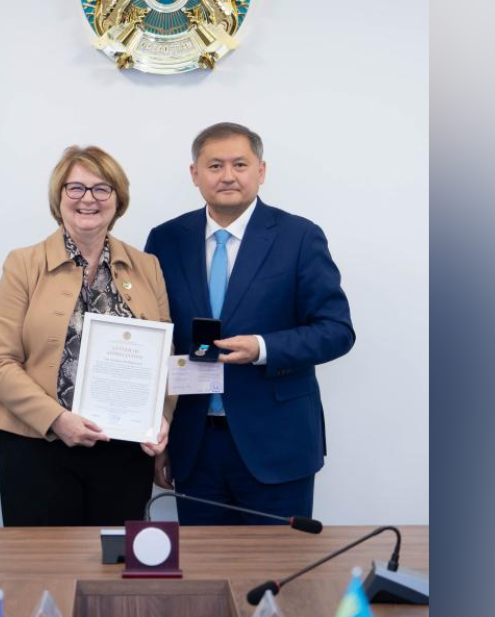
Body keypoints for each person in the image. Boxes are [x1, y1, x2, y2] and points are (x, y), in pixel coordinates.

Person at [144, 123, 355, 524]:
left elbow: (336, 330)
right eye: (215, 166)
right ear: (195, 174)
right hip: (194, 445)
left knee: (278, 562)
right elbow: (156, 337)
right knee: (204, 561)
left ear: (261, 170)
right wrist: (158, 433)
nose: (228, 176)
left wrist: (263, 348)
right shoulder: (166, 239)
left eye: (240, 164)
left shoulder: (299, 237)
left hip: (277, 444)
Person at [0, 146, 173, 526]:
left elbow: (166, 357)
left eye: (102, 188)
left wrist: (161, 417)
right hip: (38, 446)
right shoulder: (23, 264)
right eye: (76, 188)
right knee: (43, 559)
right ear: (59, 196)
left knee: (116, 558)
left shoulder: (147, 266)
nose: (88, 199)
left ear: (118, 199)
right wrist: (56, 419)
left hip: (124, 451)